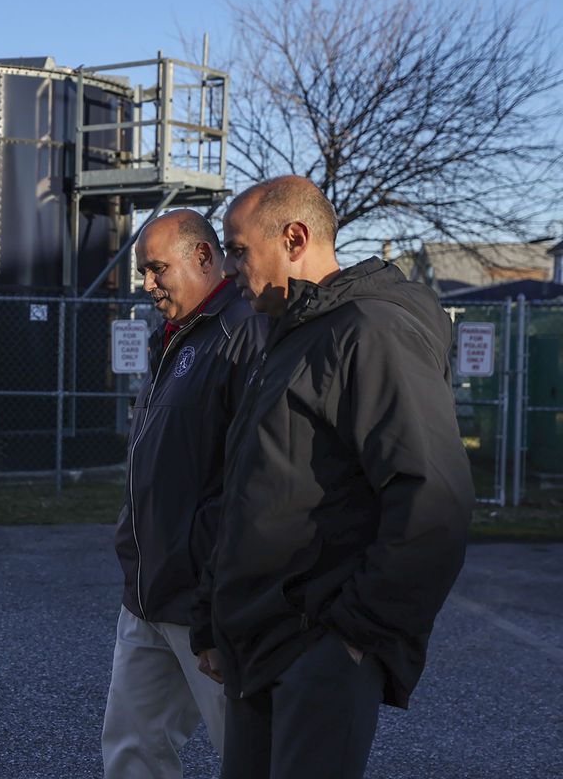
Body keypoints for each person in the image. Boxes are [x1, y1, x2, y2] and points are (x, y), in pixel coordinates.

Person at [191, 176, 473, 779]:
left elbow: (433, 499)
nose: (231, 267)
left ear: (294, 237)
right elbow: (251, 486)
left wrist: (354, 637)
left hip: (317, 648)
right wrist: (215, 617)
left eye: (238, 250)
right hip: (258, 645)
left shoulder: (371, 331)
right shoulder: (287, 335)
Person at [103, 209, 266, 779]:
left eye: (156, 269)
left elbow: (251, 481)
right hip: (147, 596)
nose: (147, 284)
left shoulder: (242, 334)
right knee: (131, 752)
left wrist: (211, 584)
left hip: (206, 605)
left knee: (249, 756)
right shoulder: (171, 338)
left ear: (203, 257)